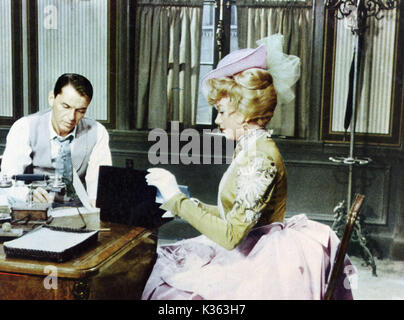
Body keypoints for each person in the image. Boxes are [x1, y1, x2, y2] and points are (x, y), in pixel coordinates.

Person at [142, 34, 354, 300]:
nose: (218, 119)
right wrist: (182, 202)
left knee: (170, 293)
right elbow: (233, 213)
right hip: (251, 246)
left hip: (261, 259)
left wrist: (176, 199)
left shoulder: (260, 157)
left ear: (243, 113)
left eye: (221, 111)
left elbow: (231, 236)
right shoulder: (249, 147)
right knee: (166, 264)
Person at [1, 73, 112, 206]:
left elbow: (97, 189)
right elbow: (8, 182)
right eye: (66, 107)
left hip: (79, 211)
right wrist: (27, 195)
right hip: (36, 210)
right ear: (51, 98)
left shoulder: (97, 132)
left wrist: (95, 208)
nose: (71, 117)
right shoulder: (24, 127)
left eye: (81, 111)